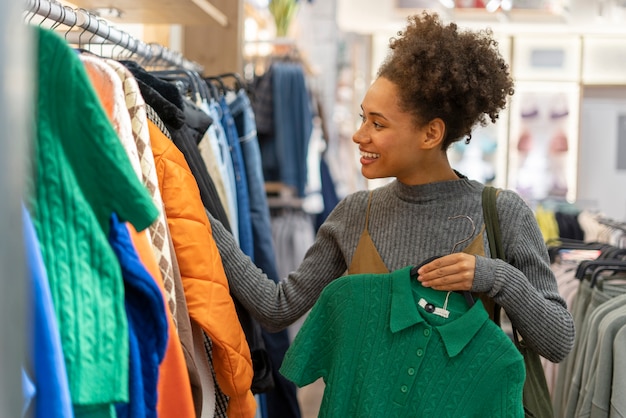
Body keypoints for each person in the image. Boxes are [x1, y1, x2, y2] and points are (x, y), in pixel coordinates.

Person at [208, 9, 574, 383]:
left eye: (377, 124)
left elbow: (559, 340)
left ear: (431, 134)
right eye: (362, 117)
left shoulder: (502, 213)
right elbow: (277, 307)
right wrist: (199, 220)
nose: (359, 135)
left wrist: (494, 277)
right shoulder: (355, 214)